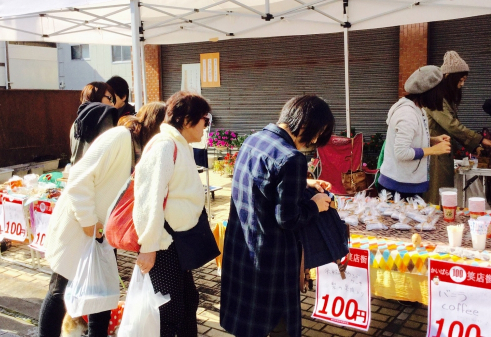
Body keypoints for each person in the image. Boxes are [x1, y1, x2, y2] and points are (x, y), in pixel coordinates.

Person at [39, 102, 167, 337]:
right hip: (78, 225)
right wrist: (88, 221)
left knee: (102, 294)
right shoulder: (120, 137)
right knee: (60, 290)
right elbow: (80, 176)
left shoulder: (143, 151)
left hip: (103, 232)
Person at [220, 95, 335, 337]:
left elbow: (263, 183)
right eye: (316, 133)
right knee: (277, 325)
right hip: (271, 259)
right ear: (304, 124)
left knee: (248, 323)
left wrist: (304, 183)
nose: (314, 140)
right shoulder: (293, 158)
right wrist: (316, 205)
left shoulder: (255, 139)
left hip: (241, 249)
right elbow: (288, 218)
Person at [133, 91, 211, 337]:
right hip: (164, 242)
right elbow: (148, 197)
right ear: (187, 120)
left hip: (178, 240)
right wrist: (148, 246)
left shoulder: (180, 144)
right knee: (169, 311)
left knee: (188, 301)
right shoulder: (164, 145)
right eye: (204, 120)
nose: (206, 126)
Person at [423, 51, 491, 204]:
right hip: (435, 157)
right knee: (436, 198)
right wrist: (481, 140)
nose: (462, 84)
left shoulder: (445, 99)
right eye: (460, 80)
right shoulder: (436, 98)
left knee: (443, 197)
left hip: (442, 154)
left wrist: (474, 147)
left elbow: (452, 127)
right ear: (448, 77)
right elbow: (452, 126)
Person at [378, 66, 452, 200]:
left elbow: (411, 138)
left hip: (408, 184)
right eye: (441, 92)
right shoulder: (407, 114)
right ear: (430, 91)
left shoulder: (418, 109)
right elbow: (401, 152)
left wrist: (432, 139)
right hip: (398, 187)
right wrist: (433, 150)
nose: (443, 96)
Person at [70, 82, 118, 165]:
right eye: (110, 98)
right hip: (97, 175)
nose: (112, 104)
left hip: (77, 173)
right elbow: (109, 149)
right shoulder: (104, 114)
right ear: (97, 96)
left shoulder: (77, 122)